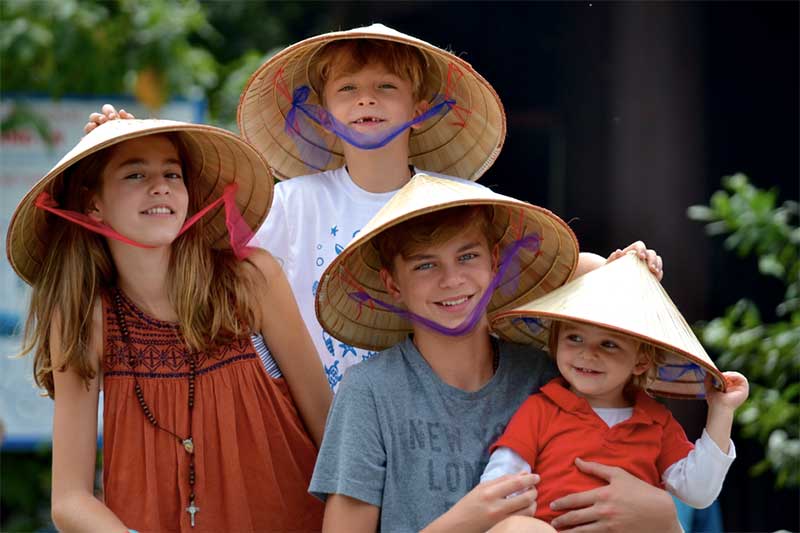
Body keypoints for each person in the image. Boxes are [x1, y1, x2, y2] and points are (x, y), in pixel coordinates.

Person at [88, 24, 662, 390]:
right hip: (311, 417)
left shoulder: (462, 205)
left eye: (386, 87)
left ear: (422, 104)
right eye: (347, 89)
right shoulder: (291, 204)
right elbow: (199, 269)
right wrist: (125, 145)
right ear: (320, 113)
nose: (366, 98)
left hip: (432, 413)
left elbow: (546, 271)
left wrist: (621, 266)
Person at [307, 174, 682, 533]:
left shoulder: (550, 374)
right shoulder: (371, 392)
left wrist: (663, 517)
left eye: (467, 257)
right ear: (393, 284)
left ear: (495, 260)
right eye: (425, 264)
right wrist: (468, 520)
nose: (451, 279)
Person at [8, 119, 331, 532]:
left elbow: (330, 431)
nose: (160, 186)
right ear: (94, 205)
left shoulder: (249, 281)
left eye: (172, 173)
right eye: (135, 174)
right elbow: (69, 500)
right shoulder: (86, 317)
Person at [483, 251, 749, 525]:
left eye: (608, 344)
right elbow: (501, 482)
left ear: (641, 361)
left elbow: (698, 492)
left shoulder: (656, 422)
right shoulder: (541, 408)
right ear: (555, 342)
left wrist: (721, 411)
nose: (587, 354)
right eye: (574, 337)